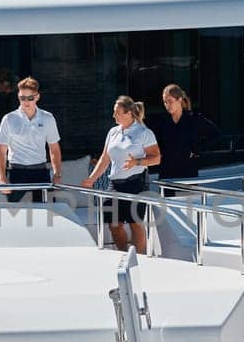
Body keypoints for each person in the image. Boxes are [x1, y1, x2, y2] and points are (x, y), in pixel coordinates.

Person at [83, 96, 160, 253]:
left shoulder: (144, 132)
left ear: (129, 113)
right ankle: (124, 254)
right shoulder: (113, 132)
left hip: (136, 183)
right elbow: (105, 158)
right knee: (114, 224)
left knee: (135, 223)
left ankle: (140, 258)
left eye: (117, 113)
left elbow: (156, 158)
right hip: (115, 184)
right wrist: (91, 179)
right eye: (114, 112)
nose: (114, 116)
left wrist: (137, 162)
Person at [0, 77, 62, 202]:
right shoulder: (9, 119)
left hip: (40, 173)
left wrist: (57, 174)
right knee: (16, 216)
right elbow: (1, 151)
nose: (26, 102)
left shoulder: (48, 118)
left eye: (30, 98)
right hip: (16, 173)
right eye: (22, 98)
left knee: (46, 216)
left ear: (37, 97)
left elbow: (54, 149)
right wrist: (2, 179)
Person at [149, 84, 219, 188]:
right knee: (168, 203)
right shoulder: (161, 121)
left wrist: (196, 150)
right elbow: (155, 141)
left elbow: (216, 134)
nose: (167, 105)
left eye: (170, 101)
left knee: (188, 202)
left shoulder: (193, 119)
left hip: (187, 172)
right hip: (167, 172)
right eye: (165, 102)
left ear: (180, 100)